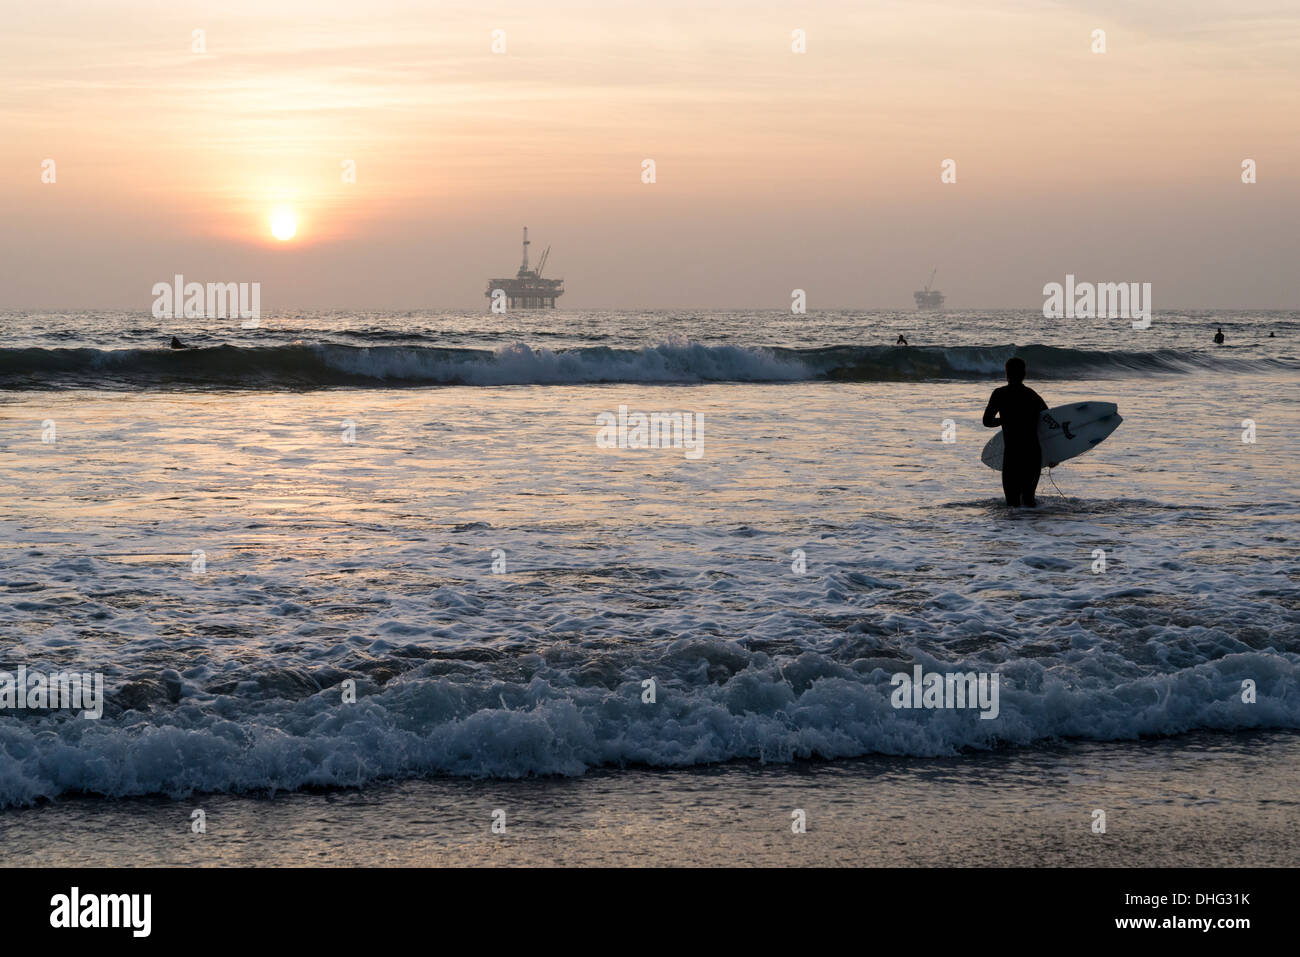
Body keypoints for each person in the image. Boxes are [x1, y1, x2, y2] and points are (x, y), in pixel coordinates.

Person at [983, 357, 1047, 507]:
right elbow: (1048, 423)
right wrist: (1053, 456)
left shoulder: (999, 394)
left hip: (1013, 455)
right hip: (1033, 455)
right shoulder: (1032, 395)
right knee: (1029, 501)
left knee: (1012, 504)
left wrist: (1005, 420)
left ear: (1006, 373)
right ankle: (1031, 529)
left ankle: (1012, 531)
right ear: (1024, 374)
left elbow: (987, 421)